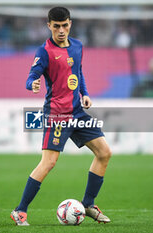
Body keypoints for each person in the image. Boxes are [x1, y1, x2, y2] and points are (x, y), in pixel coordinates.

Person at [10, 7, 112, 226]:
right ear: (49, 26)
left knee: (104, 152)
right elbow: (31, 77)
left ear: (70, 24)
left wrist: (84, 93)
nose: (61, 30)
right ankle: (20, 211)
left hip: (77, 111)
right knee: (49, 163)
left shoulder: (77, 46)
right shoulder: (44, 51)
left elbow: (78, 72)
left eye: (65, 25)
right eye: (56, 26)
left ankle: (88, 205)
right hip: (57, 113)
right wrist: (33, 84)